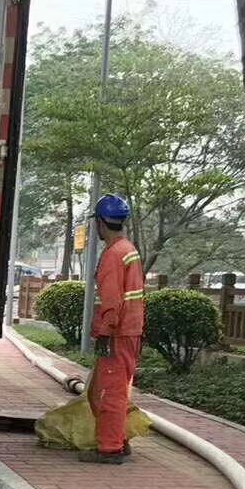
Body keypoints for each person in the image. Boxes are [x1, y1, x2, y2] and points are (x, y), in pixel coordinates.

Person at [82, 193, 145, 466]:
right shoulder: (128, 249)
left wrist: (104, 331)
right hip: (129, 331)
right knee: (107, 390)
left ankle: (110, 448)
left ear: (100, 223)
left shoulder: (113, 254)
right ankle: (119, 440)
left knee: (109, 393)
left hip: (116, 333)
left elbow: (112, 300)